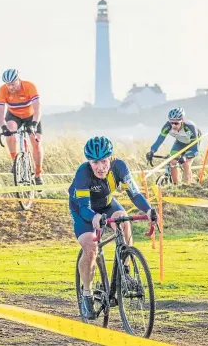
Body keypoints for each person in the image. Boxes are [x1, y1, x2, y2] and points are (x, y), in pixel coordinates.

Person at [69, 136, 157, 320]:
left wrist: (148, 210)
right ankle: (87, 294)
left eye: (104, 161)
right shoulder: (83, 174)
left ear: (111, 158)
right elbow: (85, 208)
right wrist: (94, 217)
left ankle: (125, 272)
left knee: (123, 220)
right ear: (89, 162)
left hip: (108, 204)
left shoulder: (120, 167)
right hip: (83, 210)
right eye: (95, 162)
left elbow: (135, 194)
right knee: (91, 248)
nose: (100, 167)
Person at [0, 69, 44, 185]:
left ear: (19, 80)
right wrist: (3, 127)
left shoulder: (29, 87)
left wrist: (34, 124)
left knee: (36, 143)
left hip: (31, 115)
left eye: (13, 84)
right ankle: (15, 162)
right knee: (10, 129)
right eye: (8, 84)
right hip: (14, 115)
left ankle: (38, 173)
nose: (10, 87)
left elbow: (38, 109)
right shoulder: (3, 90)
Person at [146, 107, 201, 184]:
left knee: (185, 164)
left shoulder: (189, 127)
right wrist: (152, 151)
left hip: (191, 145)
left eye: (176, 123)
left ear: (182, 120)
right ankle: (176, 186)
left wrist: (185, 156)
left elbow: (195, 149)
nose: (173, 125)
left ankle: (187, 186)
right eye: (171, 122)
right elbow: (160, 139)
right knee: (173, 162)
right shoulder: (167, 126)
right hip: (179, 143)